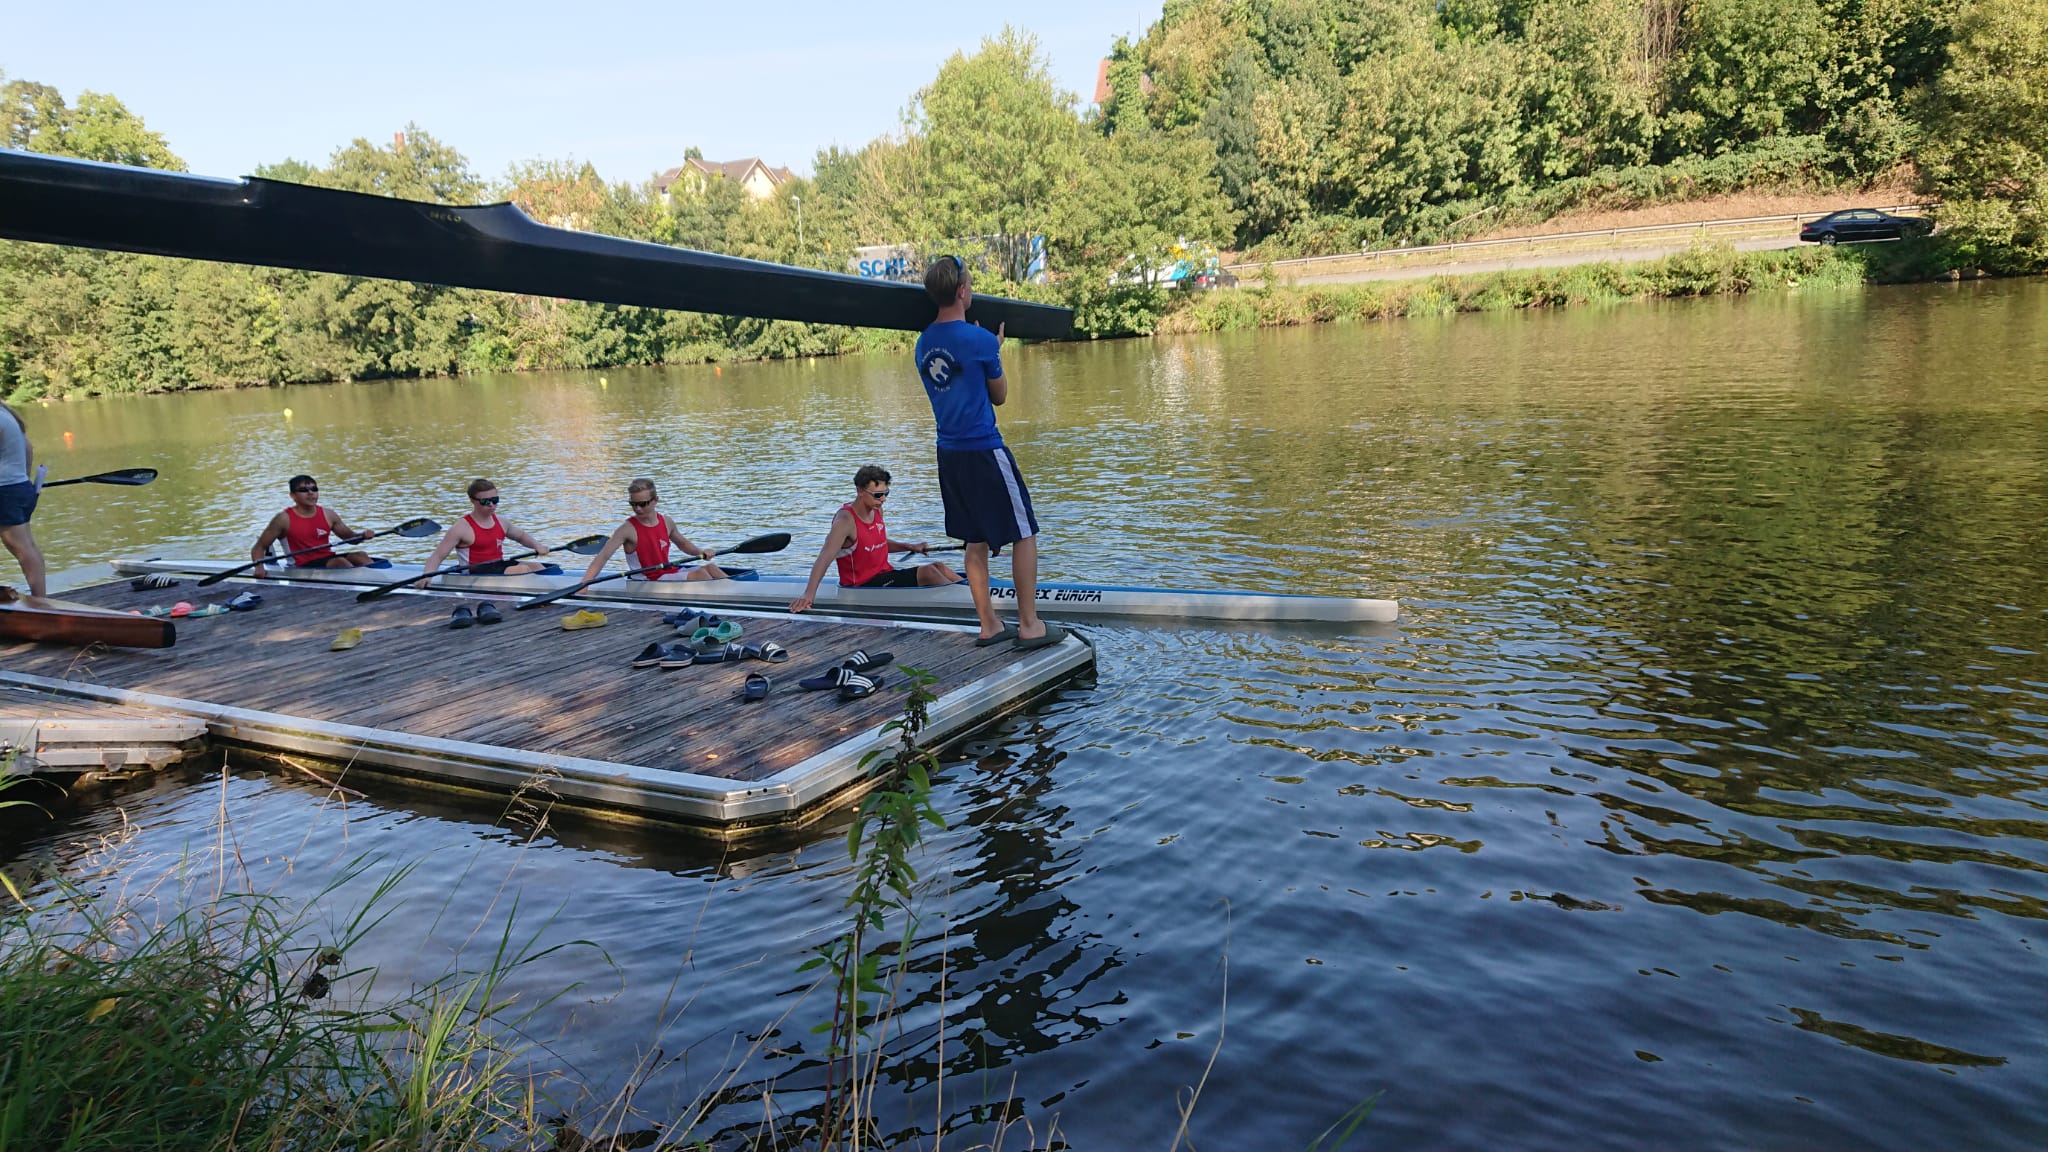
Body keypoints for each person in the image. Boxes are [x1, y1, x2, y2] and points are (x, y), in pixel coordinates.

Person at [914, 255, 1060, 649]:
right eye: (971, 282)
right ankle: (1030, 625)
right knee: (1024, 532)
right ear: (962, 291)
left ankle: (989, 625)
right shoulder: (980, 341)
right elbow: (1000, 397)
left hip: (948, 455)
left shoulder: (922, 343)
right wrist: (993, 350)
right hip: (984, 450)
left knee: (974, 543)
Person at [790, 465, 961, 613]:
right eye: (878, 495)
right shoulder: (844, 521)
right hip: (861, 587)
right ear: (860, 491)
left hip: (884, 576)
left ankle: (974, 593)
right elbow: (824, 557)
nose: (883, 499)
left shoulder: (876, 509)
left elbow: (877, 543)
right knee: (929, 572)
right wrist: (808, 594)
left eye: (886, 493)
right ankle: (966, 601)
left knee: (940, 567)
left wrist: (910, 546)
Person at [580, 478, 728, 582]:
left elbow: (682, 544)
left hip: (666, 572)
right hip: (646, 579)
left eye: (642, 504)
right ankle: (729, 594)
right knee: (701, 573)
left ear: (655, 500)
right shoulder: (626, 529)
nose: (637, 508)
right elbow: (603, 556)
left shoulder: (667, 521)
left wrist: (700, 552)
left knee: (711, 567)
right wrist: (584, 584)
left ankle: (736, 589)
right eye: (633, 504)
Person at [250, 475, 376, 579]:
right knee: (340, 563)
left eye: (314, 489)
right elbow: (259, 547)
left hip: (327, 559)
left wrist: (362, 535)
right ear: (293, 496)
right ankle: (361, 583)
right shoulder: (283, 519)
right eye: (304, 490)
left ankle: (377, 580)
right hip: (302, 566)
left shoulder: (328, 514)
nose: (311, 493)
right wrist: (259, 568)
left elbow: (350, 538)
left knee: (360, 555)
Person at [420, 478, 549, 576]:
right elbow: (438, 556)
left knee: (538, 567)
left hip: (498, 566)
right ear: (473, 501)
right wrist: (426, 576)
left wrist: (537, 546)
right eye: (486, 501)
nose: (492, 505)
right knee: (522, 570)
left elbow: (521, 536)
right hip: (476, 572)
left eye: (495, 500)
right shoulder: (461, 527)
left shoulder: (502, 522)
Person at [0, 401, 47, 597]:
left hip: (5, 490)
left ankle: (41, 604)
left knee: (22, 548)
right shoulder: (6, 412)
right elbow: (28, 448)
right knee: (28, 547)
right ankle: (41, 600)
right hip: (18, 487)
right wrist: (24, 481)